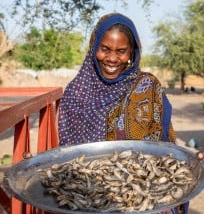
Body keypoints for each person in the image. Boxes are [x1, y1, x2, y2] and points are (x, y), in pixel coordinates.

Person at [57, 12, 192, 214]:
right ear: (94, 47)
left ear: (132, 53)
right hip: (90, 196)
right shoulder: (77, 92)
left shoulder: (147, 87)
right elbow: (68, 155)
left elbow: (163, 147)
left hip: (143, 192)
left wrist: (187, 161)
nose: (112, 58)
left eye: (121, 51)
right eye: (105, 49)